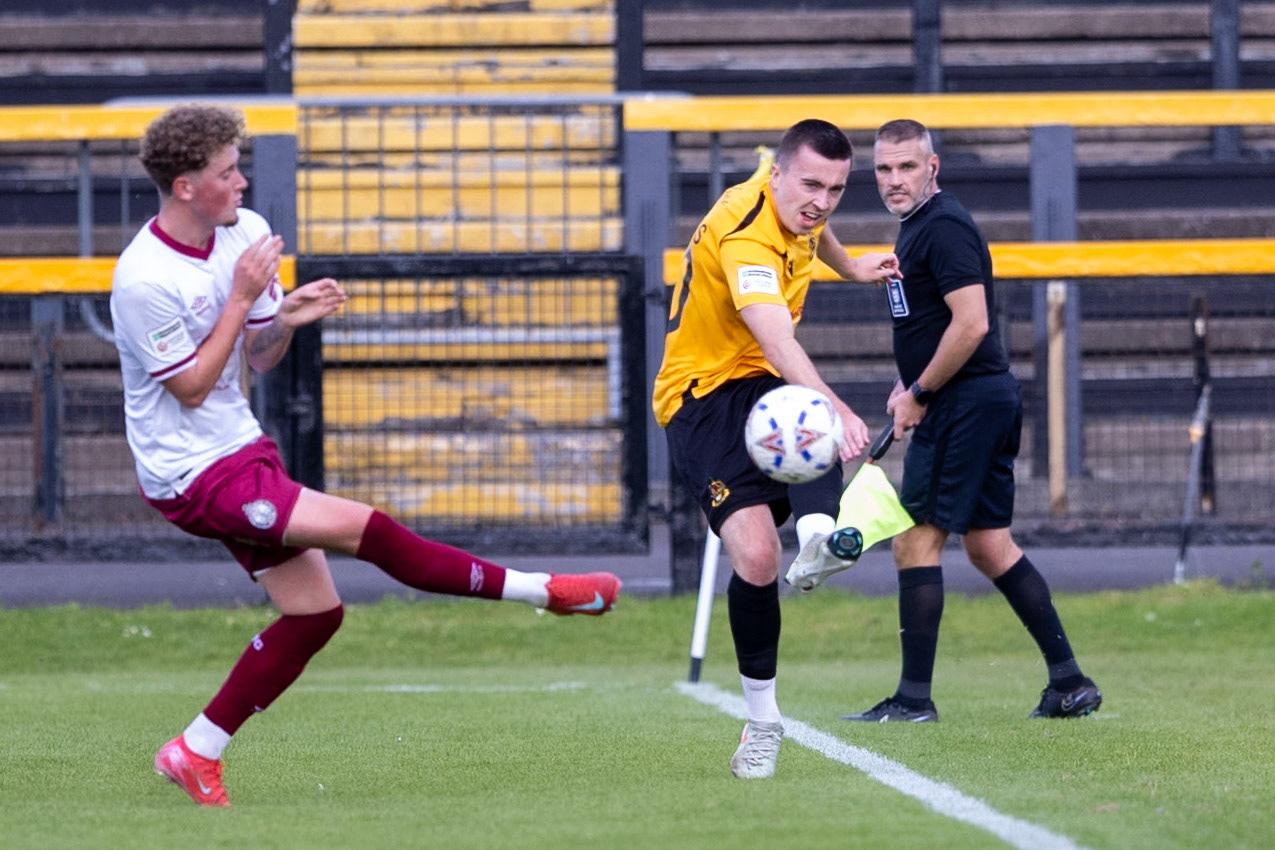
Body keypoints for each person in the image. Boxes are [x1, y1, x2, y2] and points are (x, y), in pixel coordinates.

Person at [110, 104, 622, 808]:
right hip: (189, 475)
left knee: (315, 614)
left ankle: (195, 750)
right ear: (185, 186)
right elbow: (194, 388)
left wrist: (281, 318)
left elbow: (254, 356)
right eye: (227, 173)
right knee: (367, 529)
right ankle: (544, 591)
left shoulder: (247, 233)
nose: (242, 182)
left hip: (240, 450)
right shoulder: (143, 278)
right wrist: (240, 298)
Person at [652, 119, 899, 778]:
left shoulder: (797, 202)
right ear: (777, 174)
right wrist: (839, 407)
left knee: (805, 417)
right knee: (757, 557)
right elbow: (778, 344)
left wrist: (849, 266)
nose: (820, 200)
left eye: (837, 188)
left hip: (754, 380)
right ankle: (762, 722)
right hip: (700, 397)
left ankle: (818, 538)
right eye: (810, 184)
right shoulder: (746, 239)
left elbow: (815, 229)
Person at [841, 118, 1101, 723]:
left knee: (914, 540)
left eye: (908, 166)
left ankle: (912, 700)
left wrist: (922, 391)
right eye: (883, 168)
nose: (894, 179)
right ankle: (1069, 682)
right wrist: (910, 378)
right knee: (988, 545)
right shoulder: (915, 230)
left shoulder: (944, 227)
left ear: (933, 167)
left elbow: (972, 323)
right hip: (969, 399)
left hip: (964, 403)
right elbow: (939, 323)